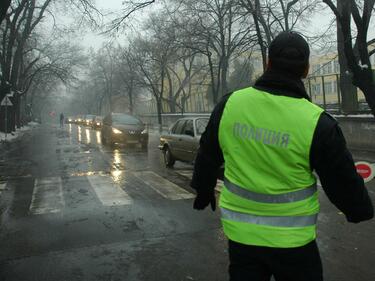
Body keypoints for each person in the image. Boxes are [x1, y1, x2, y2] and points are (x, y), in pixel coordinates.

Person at [191, 31, 373, 281]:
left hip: (242, 237)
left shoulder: (229, 105)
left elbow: (207, 153)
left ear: (268, 63)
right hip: (294, 243)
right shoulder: (316, 122)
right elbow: (341, 179)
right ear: (307, 69)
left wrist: (202, 189)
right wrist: (359, 210)